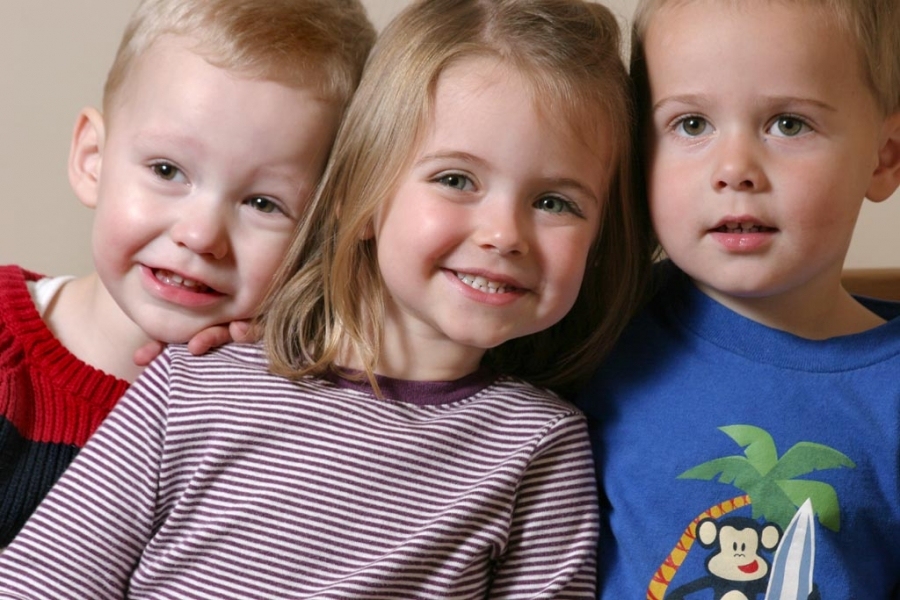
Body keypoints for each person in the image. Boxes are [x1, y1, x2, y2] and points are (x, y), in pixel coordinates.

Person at [0, 0, 652, 596]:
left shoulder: (537, 448)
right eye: (456, 179)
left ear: (600, 238)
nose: (504, 234)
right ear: (356, 198)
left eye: (554, 203)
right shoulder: (192, 381)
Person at [0, 0, 375, 549]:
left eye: (264, 203)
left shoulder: (285, 421)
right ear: (93, 158)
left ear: (323, 231)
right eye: (167, 170)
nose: (200, 235)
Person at [575, 0, 900, 598]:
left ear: (885, 156)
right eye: (691, 124)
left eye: (789, 123)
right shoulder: (594, 325)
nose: (735, 169)